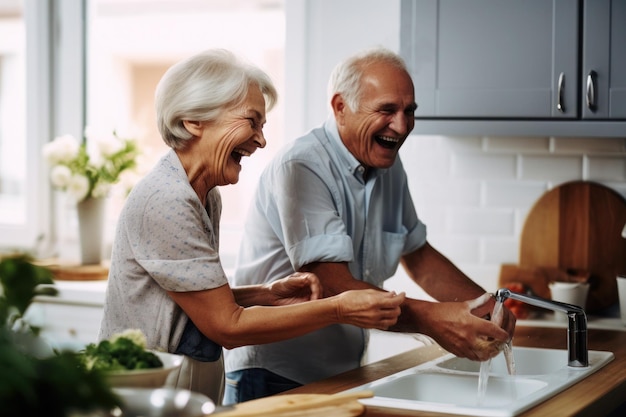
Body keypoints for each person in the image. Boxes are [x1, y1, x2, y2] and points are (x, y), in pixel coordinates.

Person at [98, 49, 406, 404]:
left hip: (176, 387)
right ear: (194, 121)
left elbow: (192, 302)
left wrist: (266, 294)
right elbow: (227, 326)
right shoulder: (166, 200)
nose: (261, 140)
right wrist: (340, 308)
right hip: (143, 391)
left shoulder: (203, 194)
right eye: (251, 121)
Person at [224, 47, 516, 404]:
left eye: (410, 111)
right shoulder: (301, 166)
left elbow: (419, 256)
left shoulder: (388, 166)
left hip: (342, 372)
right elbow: (332, 284)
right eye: (387, 110)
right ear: (340, 107)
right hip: (274, 374)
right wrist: (434, 320)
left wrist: (487, 308)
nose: (403, 125)